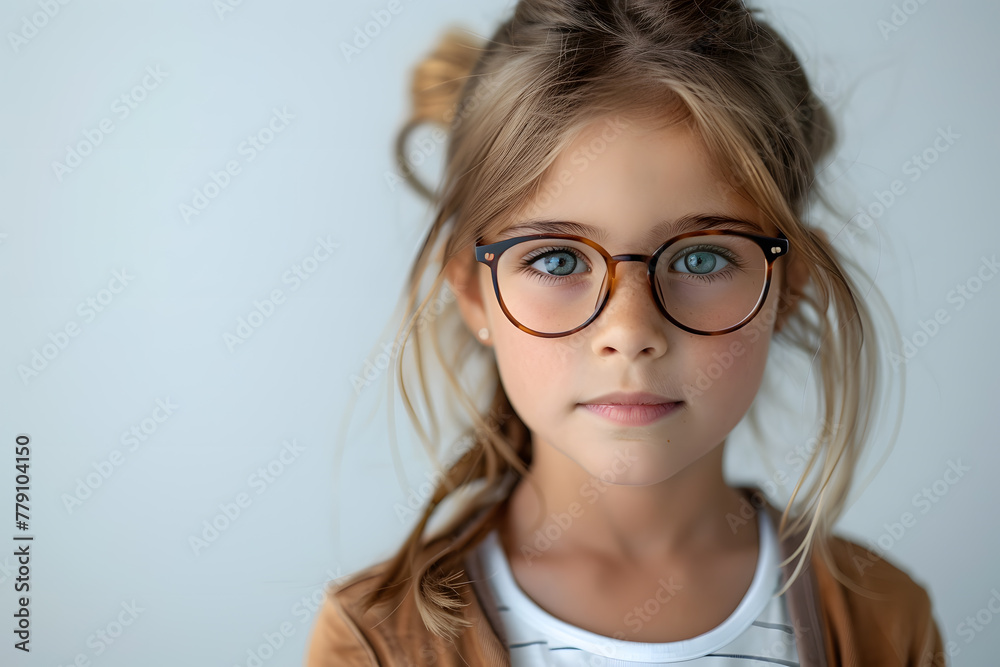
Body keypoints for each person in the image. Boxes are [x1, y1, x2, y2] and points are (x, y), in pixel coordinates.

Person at [307, 1, 947, 665]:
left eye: (702, 257)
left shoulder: (884, 621)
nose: (631, 332)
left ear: (786, 286)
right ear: (474, 290)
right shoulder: (376, 642)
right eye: (557, 259)